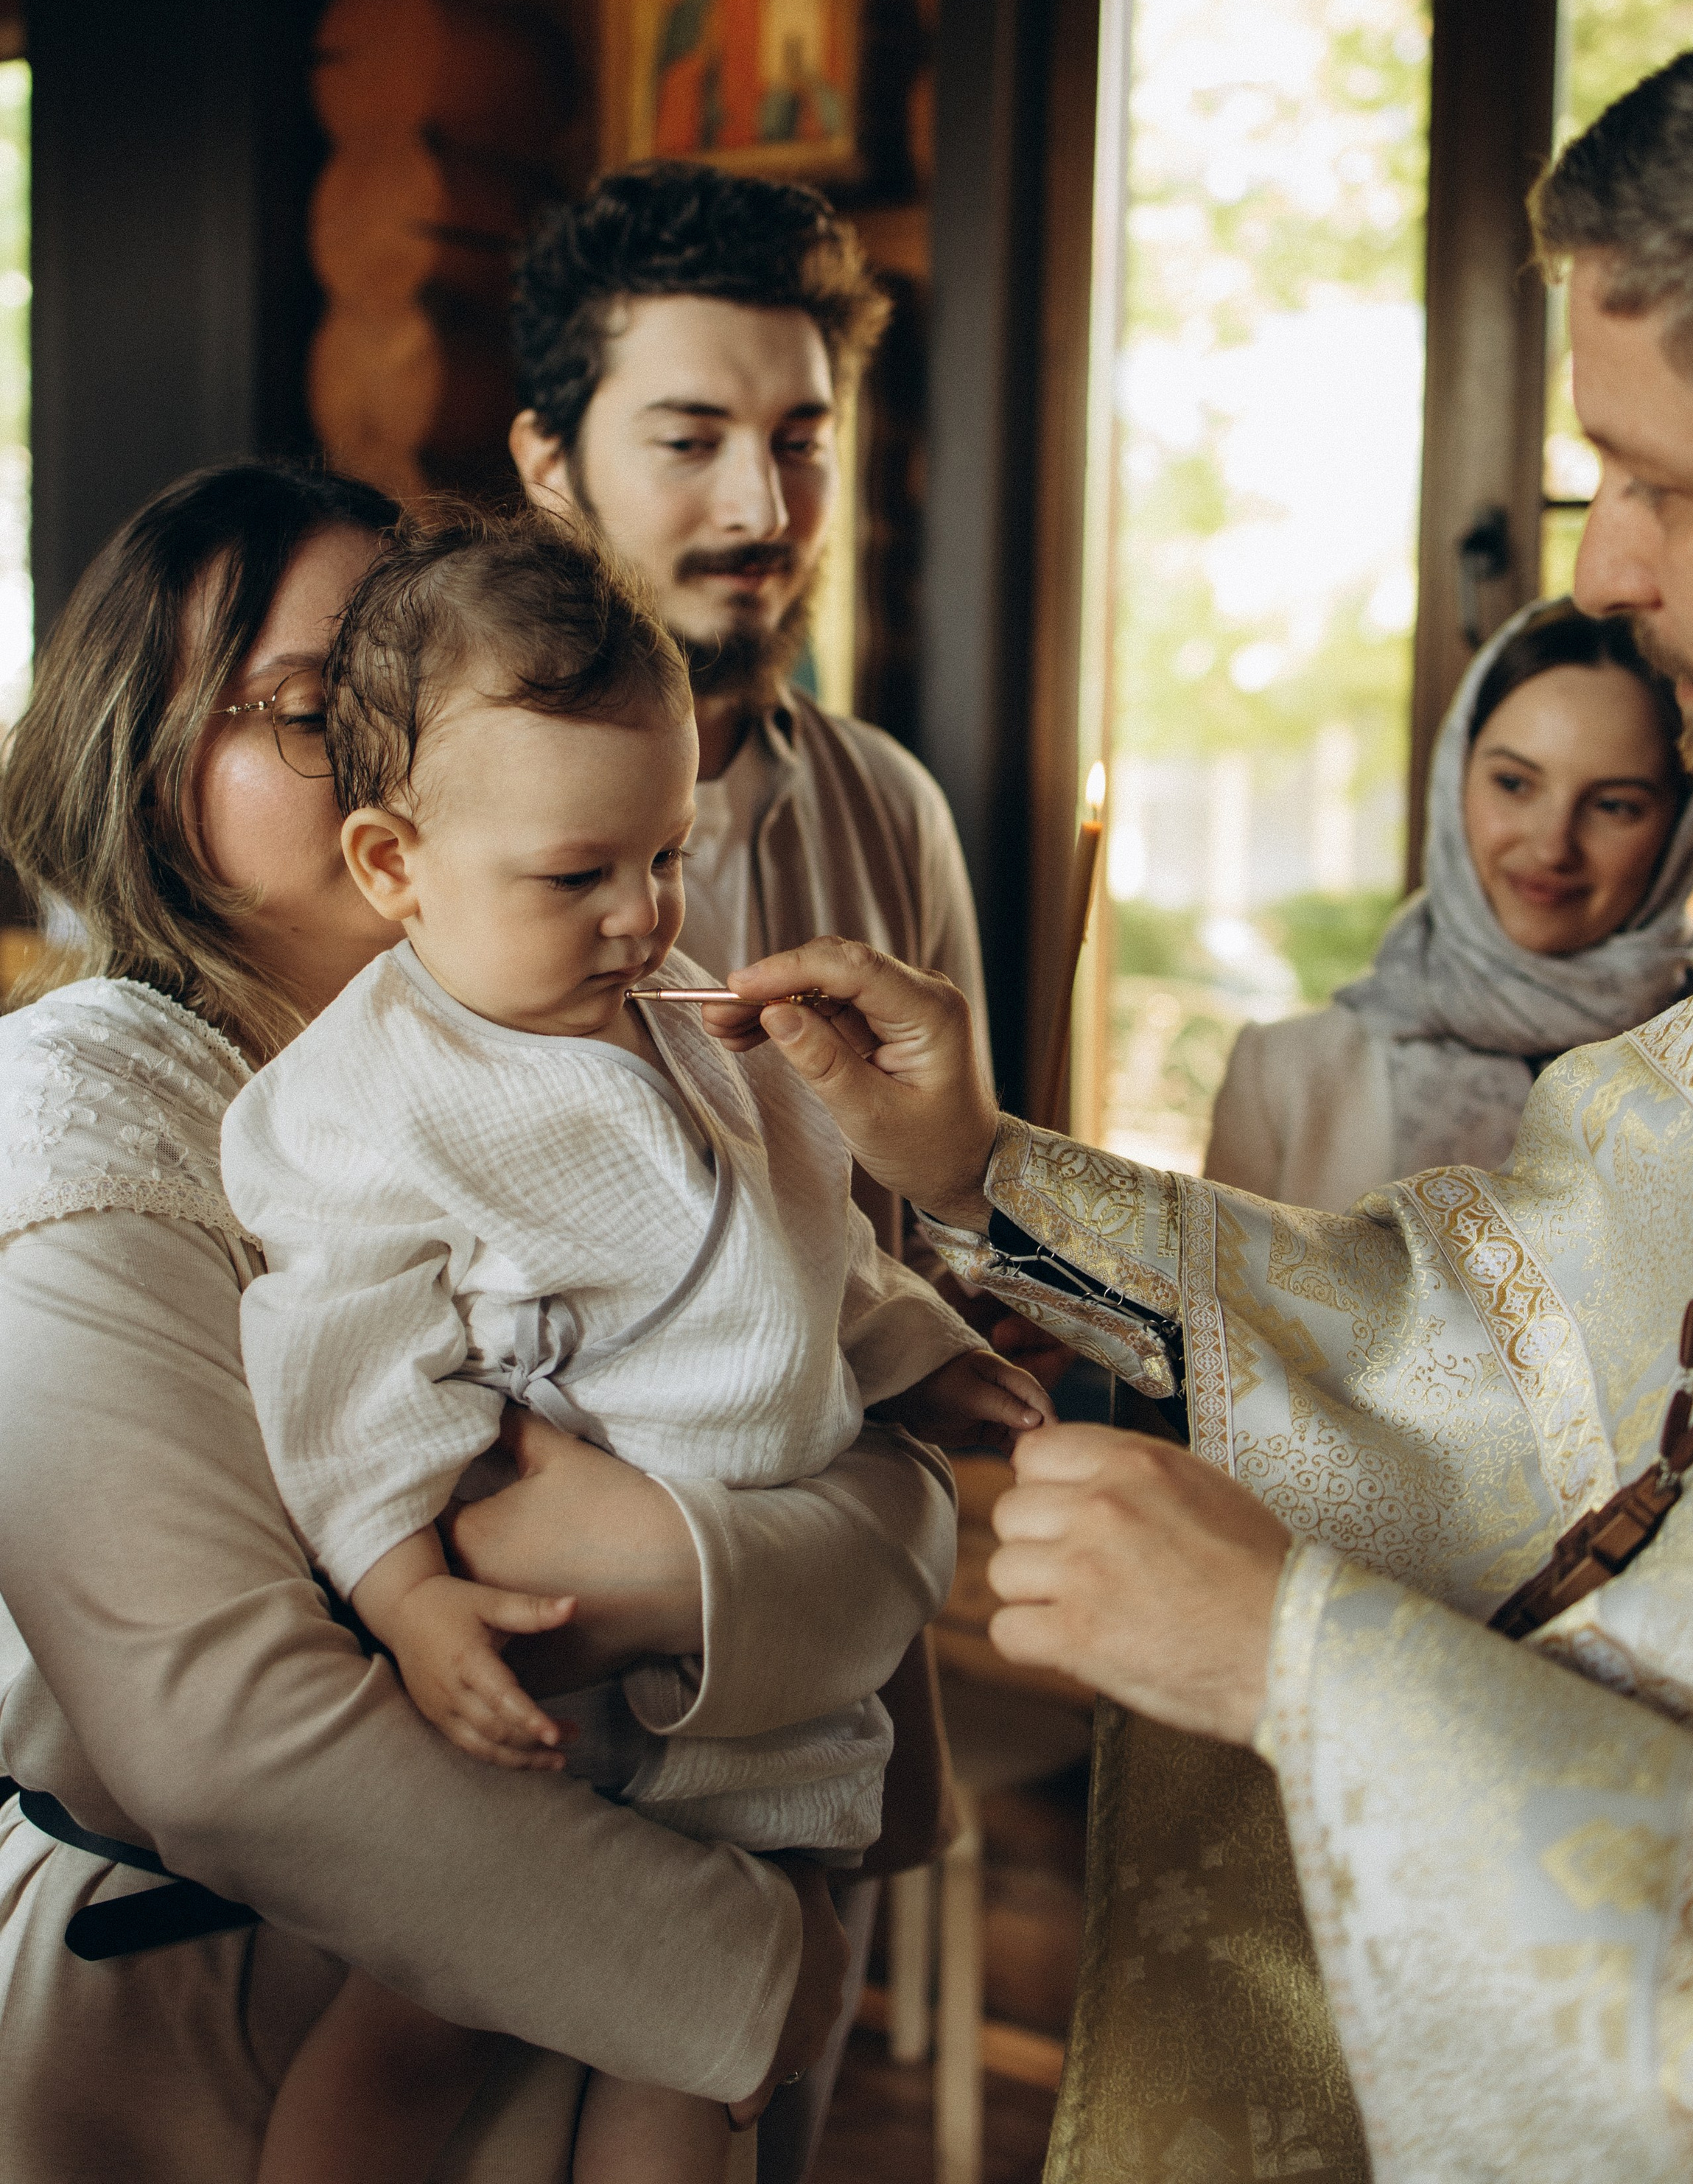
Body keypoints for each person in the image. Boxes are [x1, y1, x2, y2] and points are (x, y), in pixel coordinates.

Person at [700, 0, 1693, 2183]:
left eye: (1651, 481)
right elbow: (1491, 1343)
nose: (1604, 573)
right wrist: (982, 1167)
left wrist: (1297, 1673)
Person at [0, 463, 958, 2184]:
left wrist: (725, 1544)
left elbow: (857, 1451)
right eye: (320, 710)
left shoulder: (592, 1027)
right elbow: (215, 1726)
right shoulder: (81, 1094)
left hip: (656, 1818)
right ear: (153, 752)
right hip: (217, 2027)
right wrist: (744, 1957)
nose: (393, 738)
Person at [228, 507, 1041, 2184]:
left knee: (706, 2071)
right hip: (542, 1694)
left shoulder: (695, 1024)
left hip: (766, 1697)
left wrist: (917, 1348)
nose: (637, 915)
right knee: (404, 2036)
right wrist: (399, 1585)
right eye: (574, 875)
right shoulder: (369, 1097)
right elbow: (337, 1357)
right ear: (394, 864)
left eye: (664, 856)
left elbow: (801, 1240)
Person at [510, 161, 1000, 2169]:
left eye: (800, 439)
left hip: (831, 1647)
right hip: (530, 1655)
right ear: (551, 464)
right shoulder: (435, 808)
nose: (761, 508)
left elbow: (956, 1225)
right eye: (690, 439)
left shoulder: (889, 807)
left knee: (767, 2117)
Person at [1206, 598, 1693, 1207]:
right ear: (1455, 781)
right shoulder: (1285, 1078)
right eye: (1514, 783)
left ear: (1682, 830)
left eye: (1614, 805)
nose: (1553, 845)